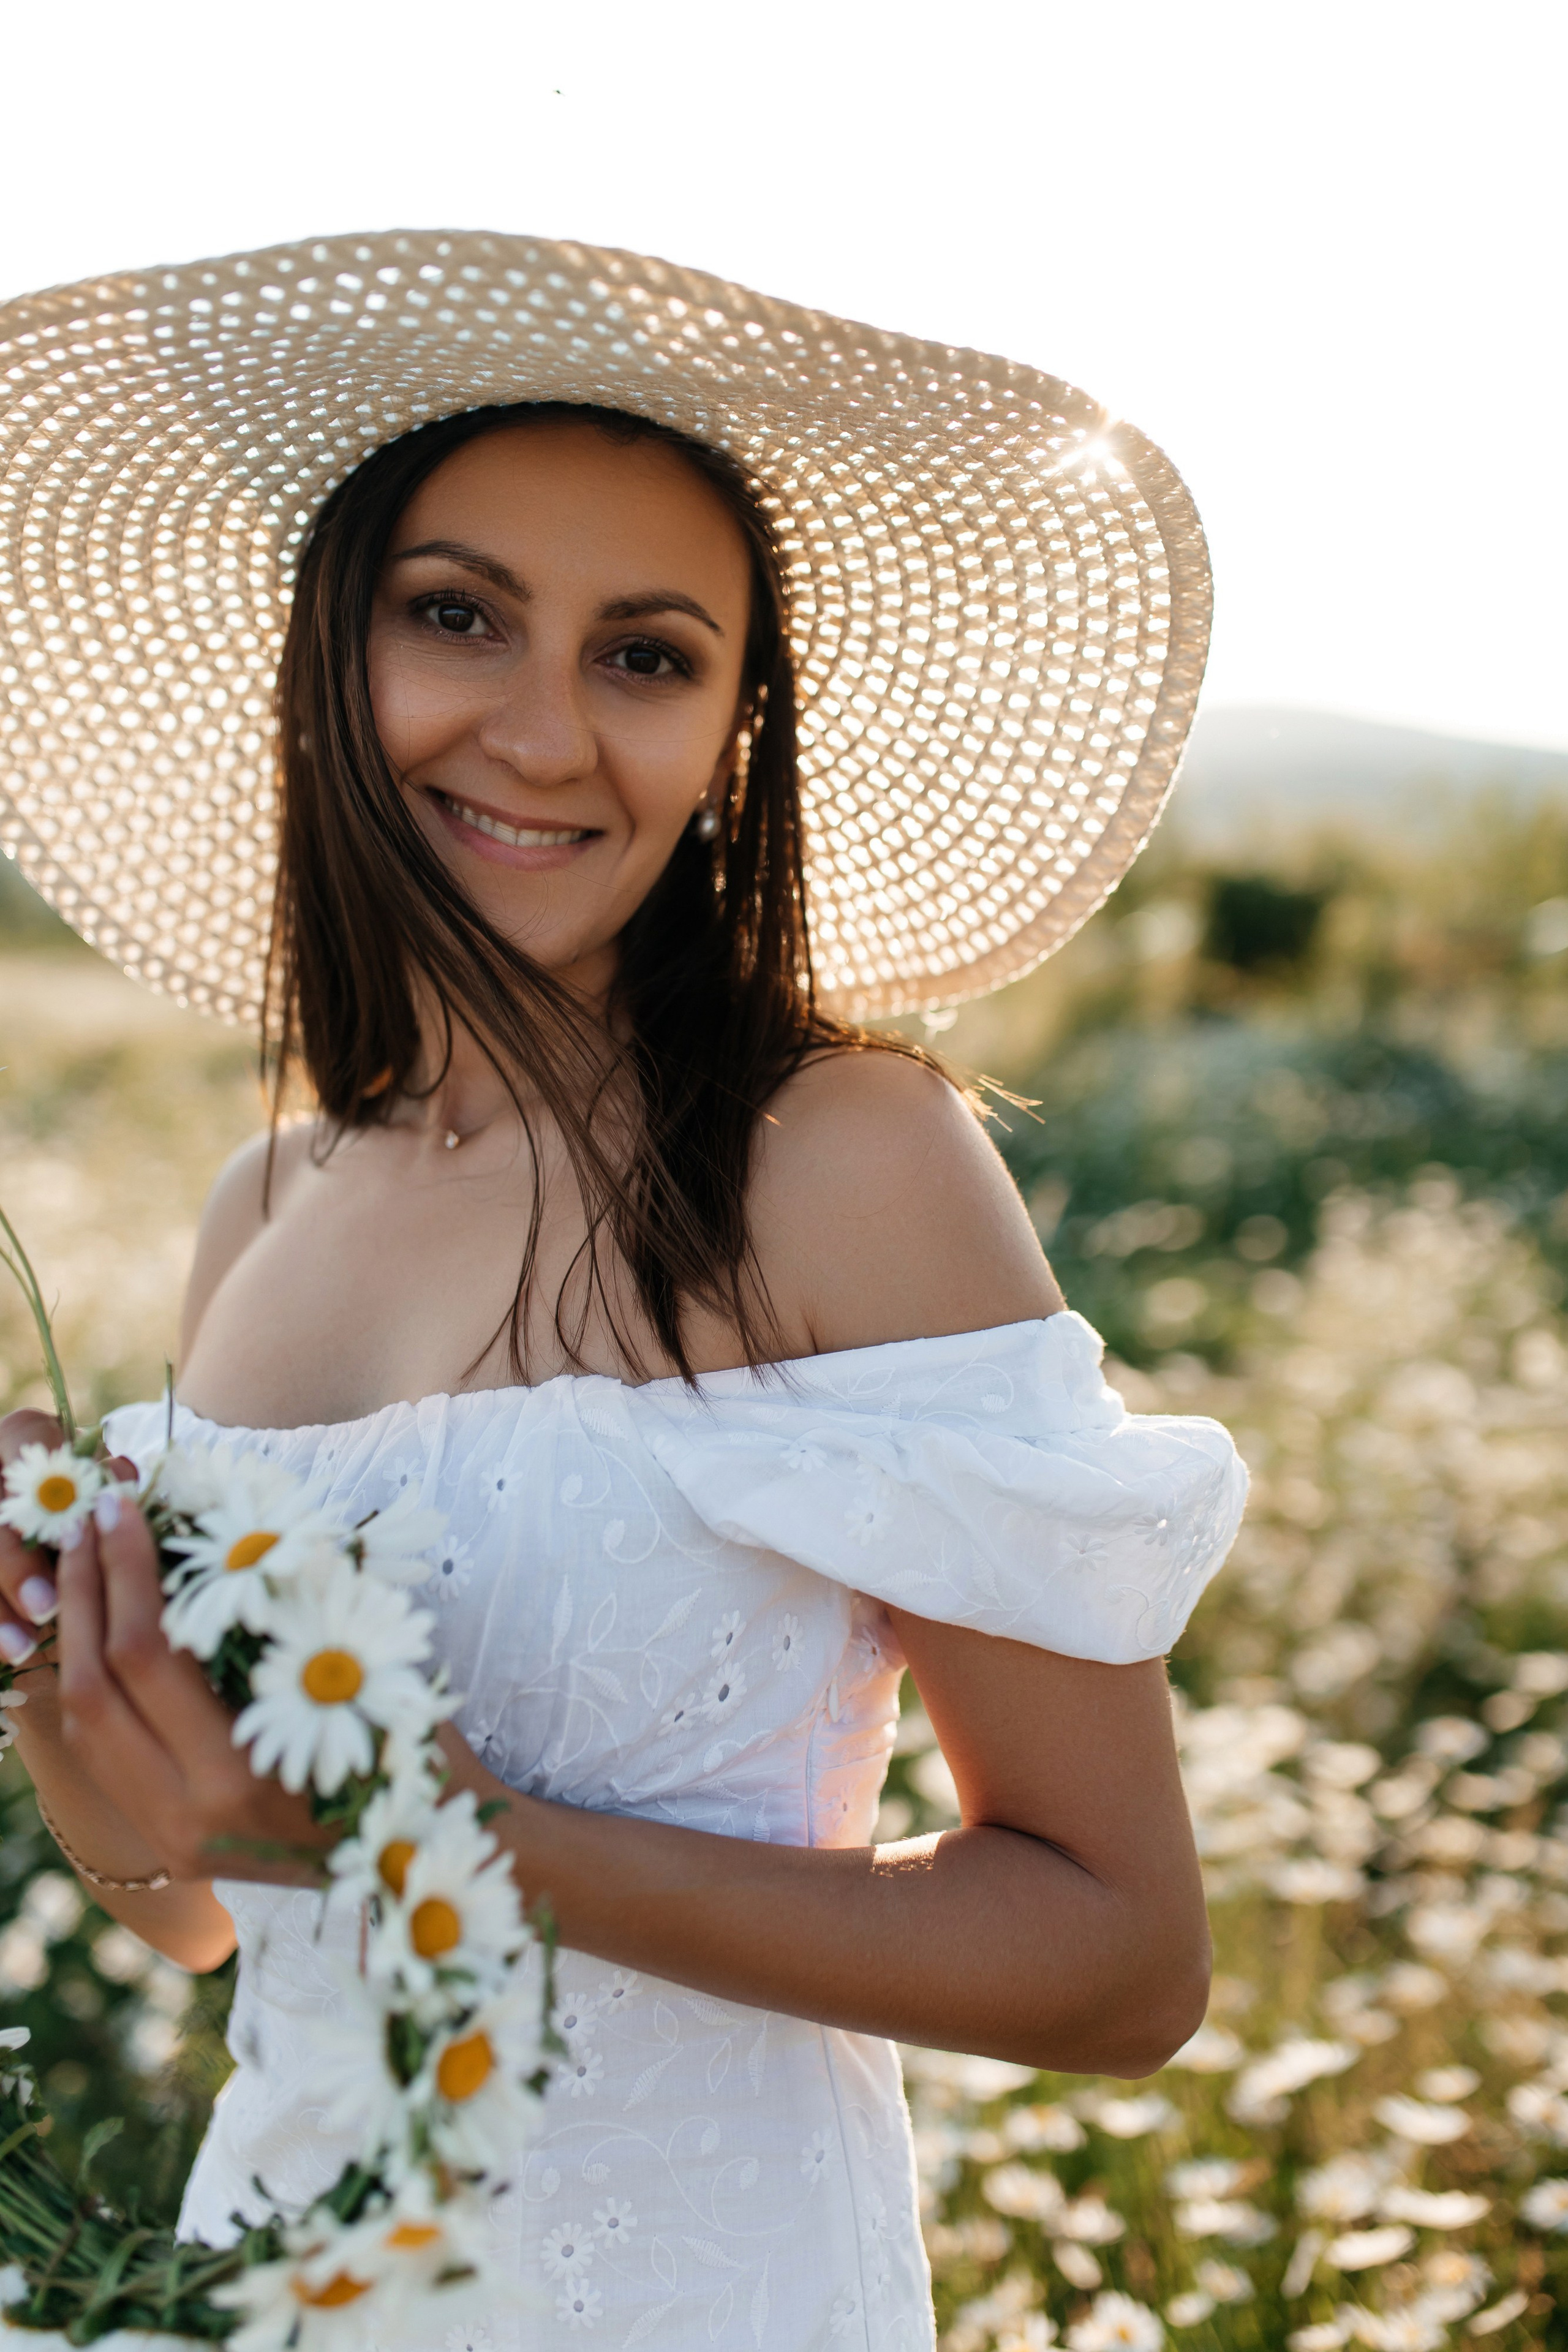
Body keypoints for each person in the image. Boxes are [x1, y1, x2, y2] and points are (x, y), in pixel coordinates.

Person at [0, 233, 1245, 2350]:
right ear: (336, 649)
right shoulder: (262, 1202)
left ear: (734, 729)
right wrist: (84, 1716)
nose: (545, 731)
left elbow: (1119, 1964)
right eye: (458, 615)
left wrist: (429, 1828)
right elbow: (221, 1923)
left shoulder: (835, 1155)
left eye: (649, 655)